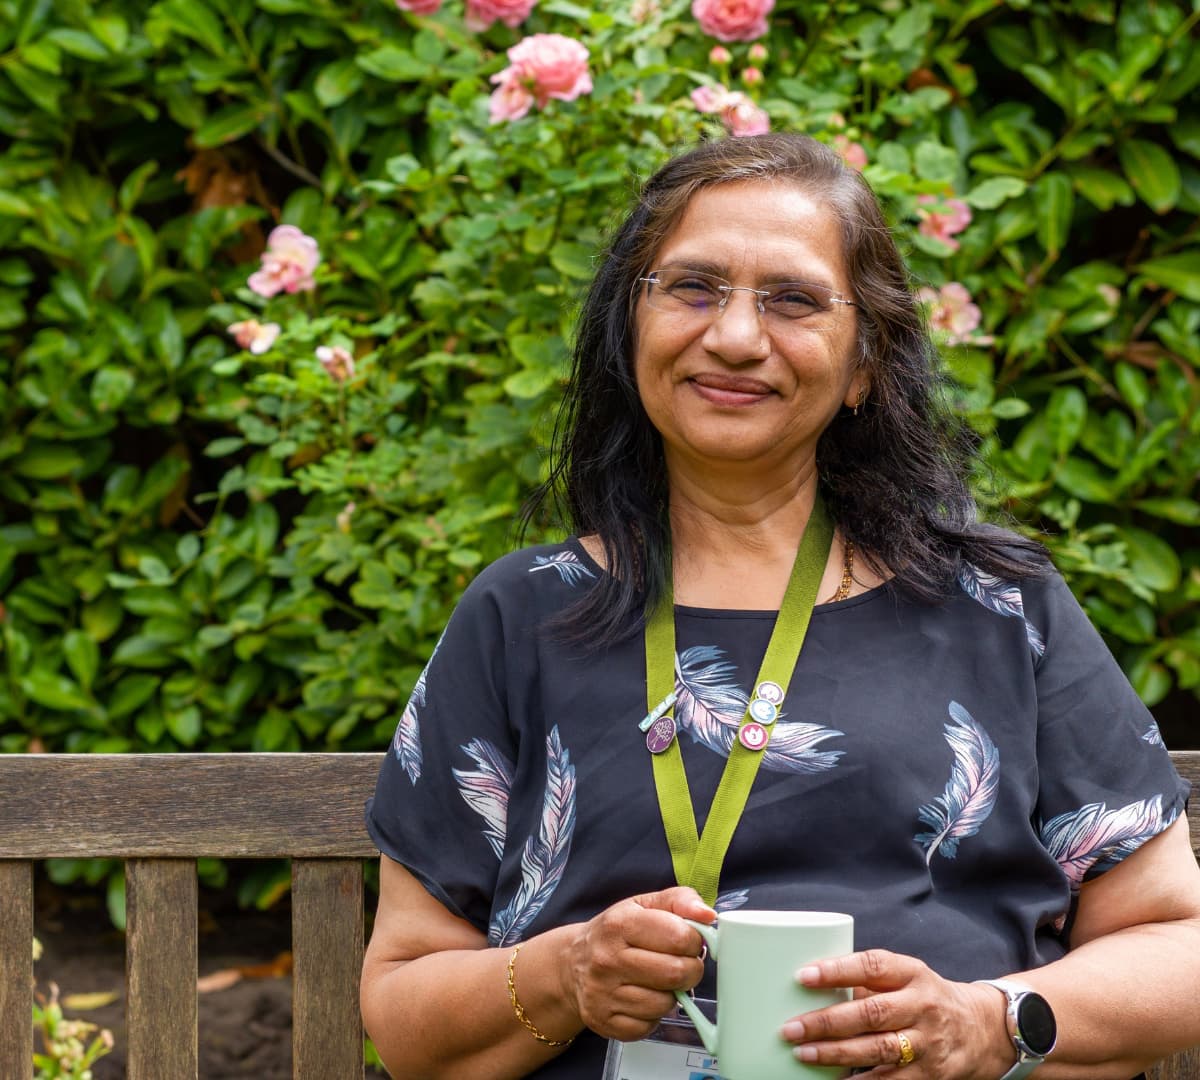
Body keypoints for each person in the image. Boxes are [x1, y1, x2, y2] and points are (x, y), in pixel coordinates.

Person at [360, 133, 1200, 1078]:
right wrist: (565, 973)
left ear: (865, 365)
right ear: (628, 328)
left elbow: (1178, 944)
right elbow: (403, 1007)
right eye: (692, 287)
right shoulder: (522, 617)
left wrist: (987, 1022)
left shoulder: (998, 610)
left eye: (793, 299)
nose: (734, 336)